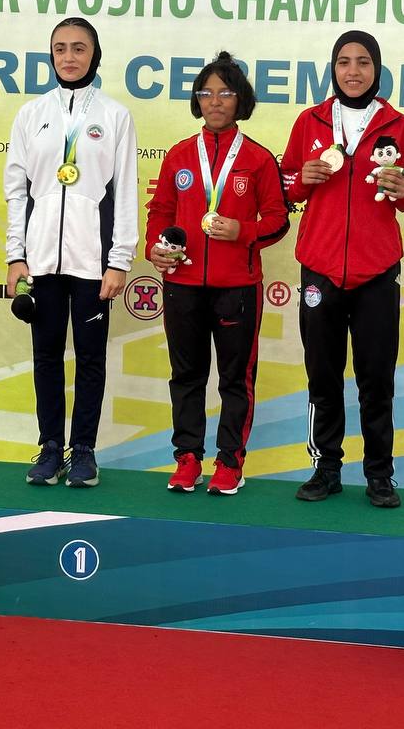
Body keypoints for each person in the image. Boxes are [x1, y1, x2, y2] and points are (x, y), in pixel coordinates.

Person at [280, 30, 404, 506]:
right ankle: (326, 469)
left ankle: (380, 474)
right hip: (320, 267)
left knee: (376, 380)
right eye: (344, 62)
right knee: (322, 377)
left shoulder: (399, 126)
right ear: (333, 69)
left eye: (363, 62)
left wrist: (402, 190)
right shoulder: (310, 121)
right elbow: (286, 184)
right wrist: (302, 179)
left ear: (377, 69)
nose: (353, 71)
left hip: (377, 270)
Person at [145, 52, 289, 495]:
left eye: (225, 92)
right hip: (182, 285)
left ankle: (230, 462)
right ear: (197, 101)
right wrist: (155, 249)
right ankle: (187, 458)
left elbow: (278, 220)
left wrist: (242, 231)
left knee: (234, 380)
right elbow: (160, 210)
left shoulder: (259, 159)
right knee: (186, 376)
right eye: (205, 93)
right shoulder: (179, 155)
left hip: (237, 288)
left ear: (240, 99)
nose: (215, 101)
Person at [4, 17, 138, 488]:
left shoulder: (115, 116)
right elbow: (16, 191)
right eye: (60, 48)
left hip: (92, 262)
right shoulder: (31, 114)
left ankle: (83, 450)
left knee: (90, 359)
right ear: (51, 55)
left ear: (94, 55)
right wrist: (16, 255)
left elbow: (125, 192)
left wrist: (119, 260)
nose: (69, 56)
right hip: (41, 261)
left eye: (79, 48)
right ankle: (49, 448)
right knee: (45, 357)